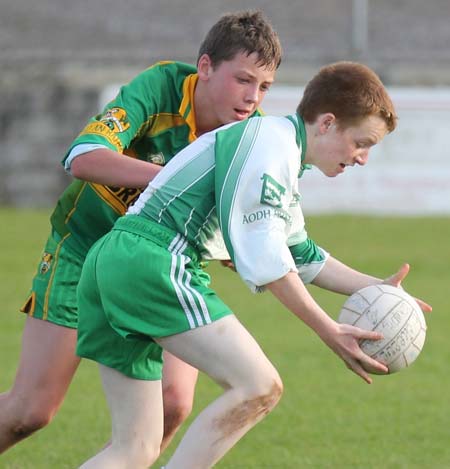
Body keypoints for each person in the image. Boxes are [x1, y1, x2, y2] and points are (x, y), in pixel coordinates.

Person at [75, 61, 432, 468]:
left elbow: (303, 255)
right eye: (361, 142)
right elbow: (270, 260)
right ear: (328, 123)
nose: (363, 157)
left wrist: (378, 288)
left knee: (133, 448)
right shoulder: (271, 147)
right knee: (259, 386)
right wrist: (327, 329)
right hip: (154, 259)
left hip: (116, 258)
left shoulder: (277, 146)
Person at [0, 10, 282, 454]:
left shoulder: (248, 135)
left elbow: (240, 222)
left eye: (264, 87)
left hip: (157, 267)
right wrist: (172, 175)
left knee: (173, 404)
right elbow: (82, 157)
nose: (252, 98)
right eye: (243, 80)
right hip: (83, 248)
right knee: (31, 411)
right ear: (205, 67)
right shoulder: (162, 88)